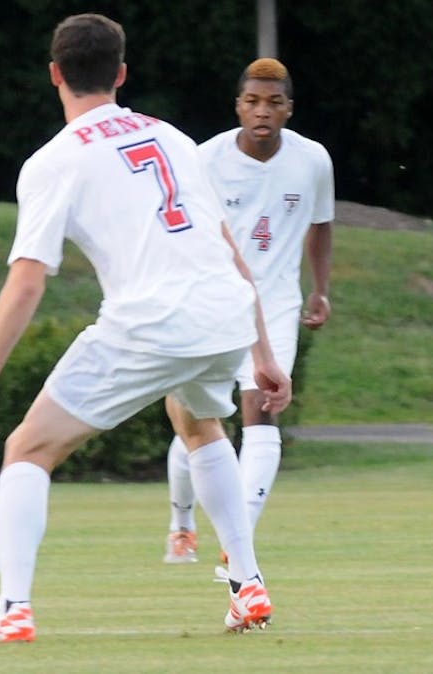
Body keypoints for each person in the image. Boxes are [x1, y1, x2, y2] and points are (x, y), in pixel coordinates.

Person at [0, 13, 291, 643]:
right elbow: (227, 245)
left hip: (152, 322)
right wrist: (263, 350)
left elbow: (27, 282)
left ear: (55, 75)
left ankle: (12, 608)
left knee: (27, 448)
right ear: (122, 73)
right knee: (199, 422)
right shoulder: (174, 137)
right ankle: (248, 586)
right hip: (222, 315)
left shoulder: (53, 161)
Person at [163, 57, 334, 566]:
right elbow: (180, 229)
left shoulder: (313, 160)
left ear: (289, 109)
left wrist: (320, 289)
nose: (263, 112)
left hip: (277, 304)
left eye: (274, 102)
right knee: (198, 418)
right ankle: (181, 524)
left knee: (261, 410)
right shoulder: (205, 158)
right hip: (211, 299)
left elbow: (321, 224)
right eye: (253, 101)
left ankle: (238, 544)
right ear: (238, 106)